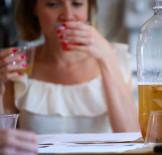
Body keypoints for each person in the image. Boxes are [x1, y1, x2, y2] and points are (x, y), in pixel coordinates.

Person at [0, 0, 139, 134]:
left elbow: (132, 137)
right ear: (33, 8)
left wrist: (107, 58)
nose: (68, 16)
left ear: (88, 8)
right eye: (53, 4)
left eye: (77, 4)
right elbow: (5, 139)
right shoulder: (19, 64)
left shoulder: (115, 59)